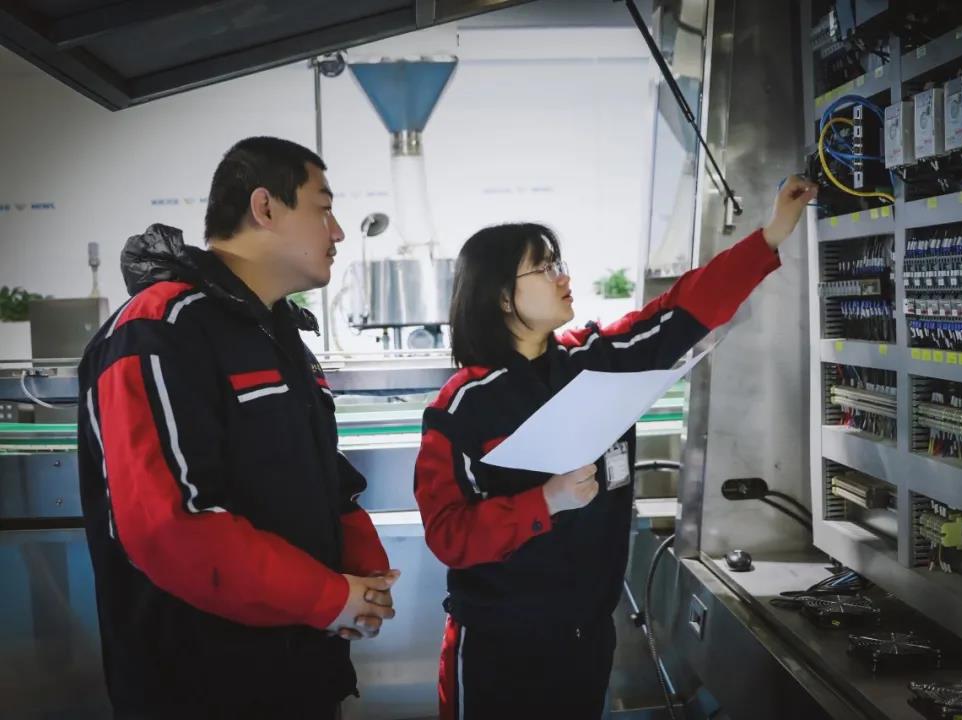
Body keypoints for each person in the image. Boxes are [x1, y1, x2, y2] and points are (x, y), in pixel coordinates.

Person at [414, 176, 817, 719]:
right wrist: (545, 501)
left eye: (559, 264)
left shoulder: (595, 360)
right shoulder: (463, 404)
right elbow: (448, 534)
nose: (564, 277)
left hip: (586, 636)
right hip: (499, 644)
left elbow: (680, 310)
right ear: (503, 296)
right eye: (545, 268)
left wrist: (770, 235)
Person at [77, 136, 400, 719]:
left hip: (302, 672)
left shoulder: (278, 335)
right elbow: (171, 526)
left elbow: (319, 473)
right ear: (265, 207)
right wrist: (328, 597)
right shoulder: (159, 329)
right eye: (323, 208)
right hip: (201, 688)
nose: (337, 232)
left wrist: (362, 568)